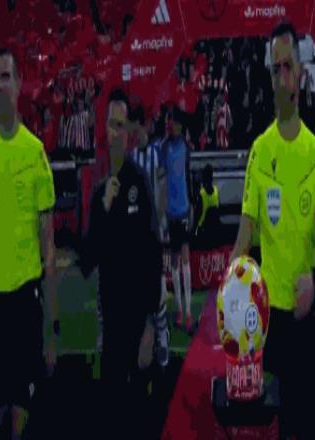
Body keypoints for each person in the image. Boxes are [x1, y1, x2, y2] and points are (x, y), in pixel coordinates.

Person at [229, 21, 315, 439]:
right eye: (276, 68)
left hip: (304, 319)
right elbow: (244, 238)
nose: (282, 76)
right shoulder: (260, 151)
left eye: (288, 66)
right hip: (267, 322)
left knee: (304, 428)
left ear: (302, 73)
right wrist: (231, 295)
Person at [79, 88, 162, 436]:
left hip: (138, 324)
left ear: (128, 132)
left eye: (120, 125)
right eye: (110, 125)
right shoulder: (99, 191)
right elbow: (87, 261)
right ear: (104, 130)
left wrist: (150, 326)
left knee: (140, 417)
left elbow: (153, 255)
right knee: (113, 415)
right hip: (111, 326)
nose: (116, 132)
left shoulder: (139, 184)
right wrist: (103, 210)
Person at [0, 48, 59, 440]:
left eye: (5, 76)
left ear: (19, 84)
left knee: (20, 408)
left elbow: (48, 248)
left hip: (23, 301)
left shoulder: (35, 153)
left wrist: (52, 330)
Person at [130, 104, 170, 370]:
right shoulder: (132, 157)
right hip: (137, 234)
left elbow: (162, 191)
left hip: (155, 232)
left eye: (136, 126)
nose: (135, 132)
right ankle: (144, 338)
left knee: (158, 287)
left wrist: (160, 224)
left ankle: (163, 335)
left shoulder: (157, 155)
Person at [161, 103, 194, 333]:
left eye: (171, 120)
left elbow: (188, 176)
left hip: (183, 210)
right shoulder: (164, 148)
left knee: (185, 259)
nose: (169, 124)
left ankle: (189, 312)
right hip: (170, 212)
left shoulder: (185, 147)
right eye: (167, 120)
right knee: (173, 262)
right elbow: (162, 179)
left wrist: (191, 205)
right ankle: (180, 310)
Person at [194, 163, 220, 248]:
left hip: (203, 234)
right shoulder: (216, 191)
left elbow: (197, 217)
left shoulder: (201, 195)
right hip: (215, 234)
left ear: (203, 178)